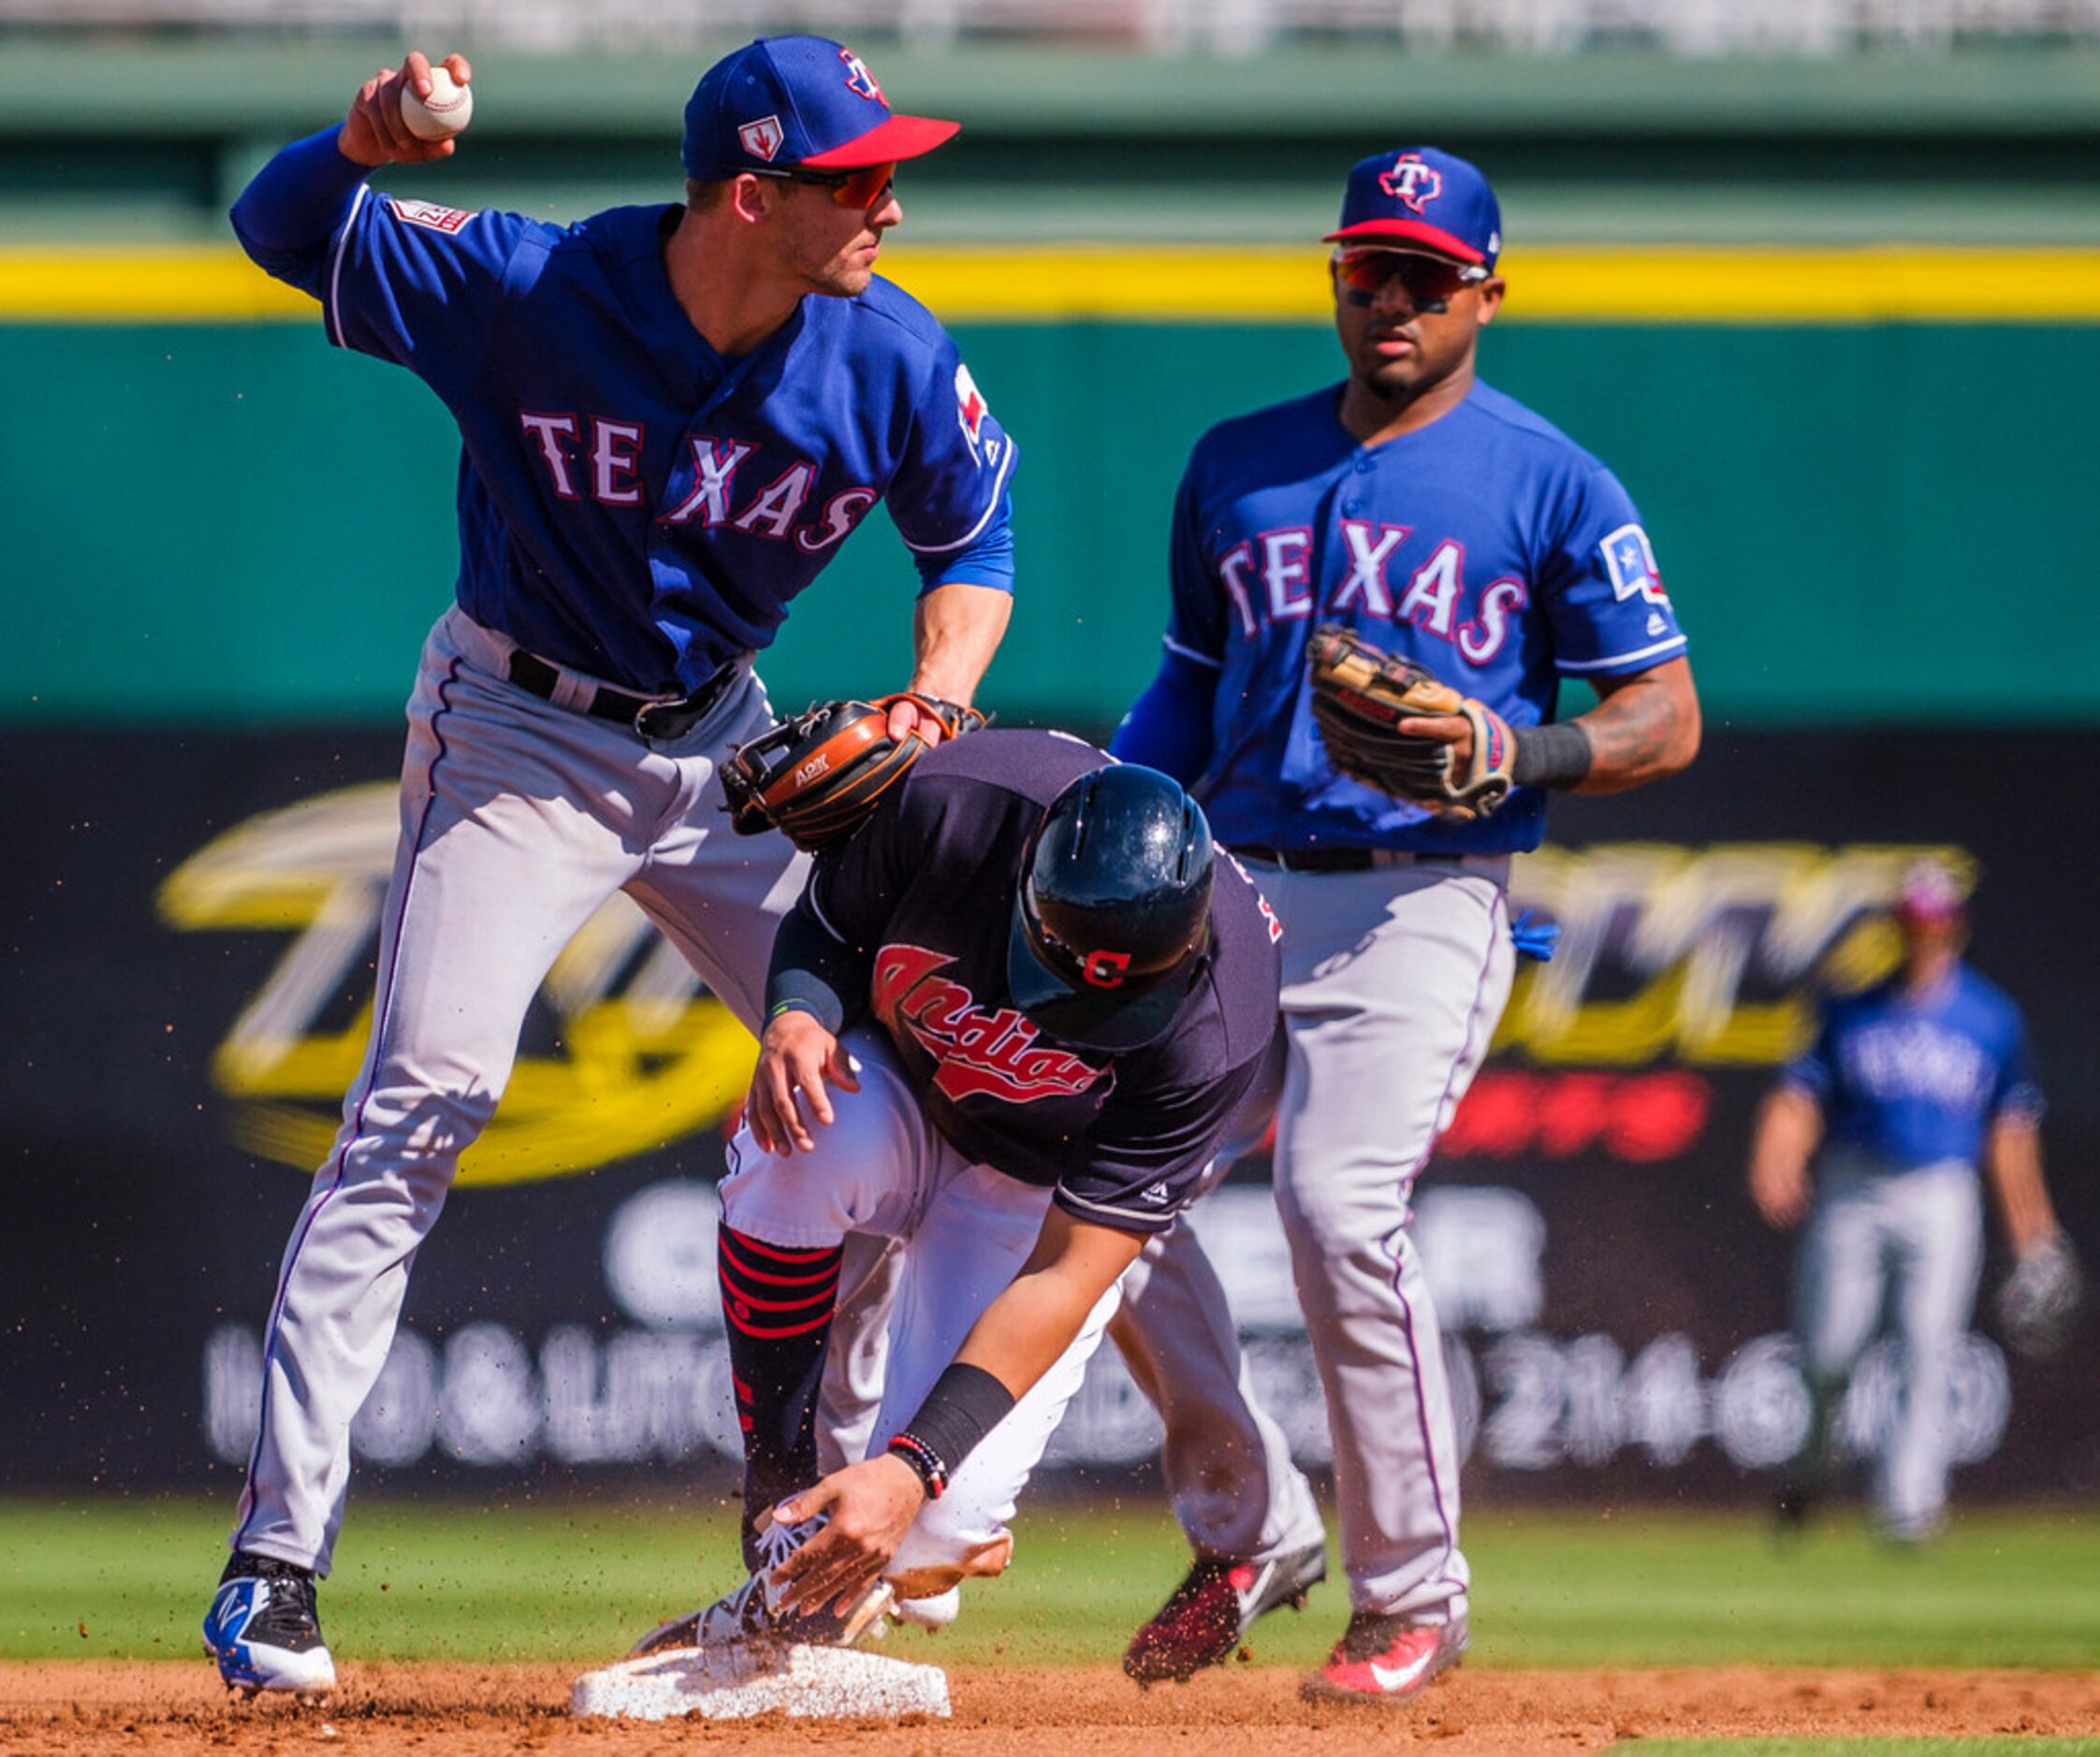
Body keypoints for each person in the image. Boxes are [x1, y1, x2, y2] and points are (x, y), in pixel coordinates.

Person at [201, 35, 1017, 1697]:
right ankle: (276, 1559)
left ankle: (829, 1520)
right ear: (749, 190)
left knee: (888, 1094)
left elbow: (974, 539)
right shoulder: (531, 284)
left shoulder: (886, 355)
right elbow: (284, 231)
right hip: (519, 727)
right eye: (857, 176)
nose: (890, 201)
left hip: (729, 750)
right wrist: (362, 139)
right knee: (421, 1098)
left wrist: (936, 696)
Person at [1104, 147, 1701, 1702]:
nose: (1389, 297)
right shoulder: (1235, 461)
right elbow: (1185, 678)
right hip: (1228, 878)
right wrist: (1104, 805)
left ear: (1485, 292)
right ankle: (1247, 1524)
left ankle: (1411, 1594)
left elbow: (1660, 712)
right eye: (1365, 267)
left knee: (1333, 1205)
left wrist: (1529, 749)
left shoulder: (1549, 478)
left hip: (1424, 891)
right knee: (1095, 1187)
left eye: (1425, 275)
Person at [622, 729, 1284, 1652]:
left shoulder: (1218, 1028)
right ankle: (777, 1506)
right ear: (1027, 874)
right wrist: (796, 1014)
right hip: (900, 1087)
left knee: (934, 1523)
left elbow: (1066, 1273)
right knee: (795, 1146)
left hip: (1034, 1190)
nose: (1077, 1012)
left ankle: (905, 1563)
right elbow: (828, 925)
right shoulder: (960, 802)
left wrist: (911, 1468)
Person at [1748, 859, 2066, 1541]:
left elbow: (2010, 1135)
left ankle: (1908, 1508)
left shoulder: (1989, 1018)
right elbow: (1799, 1095)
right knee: (1828, 1349)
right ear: (1900, 927)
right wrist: (1778, 1152)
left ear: (1955, 928)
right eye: (1913, 923)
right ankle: (1810, 1468)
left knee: (1928, 1346)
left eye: (1934, 924)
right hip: (1855, 1185)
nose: (1923, 935)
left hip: (1941, 1190)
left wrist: (2034, 1232)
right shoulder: (1851, 1009)